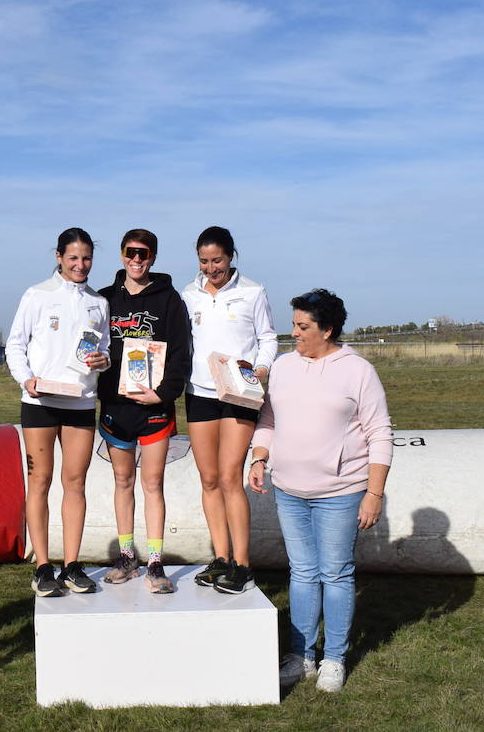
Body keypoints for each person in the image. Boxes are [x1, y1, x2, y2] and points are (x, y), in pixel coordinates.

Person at [249, 288, 392, 694]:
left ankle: (335, 659)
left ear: (327, 329)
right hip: (289, 490)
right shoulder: (282, 367)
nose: (293, 332)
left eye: (302, 326)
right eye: (292, 324)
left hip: (341, 492)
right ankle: (301, 656)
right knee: (303, 573)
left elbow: (380, 432)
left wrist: (374, 493)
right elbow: (269, 419)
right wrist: (259, 457)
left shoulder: (357, 371)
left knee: (336, 573)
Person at [6, 227, 110, 596]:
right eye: (73, 258)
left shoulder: (99, 303)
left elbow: (106, 352)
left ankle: (71, 564)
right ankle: (43, 566)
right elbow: (15, 344)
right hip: (40, 402)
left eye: (86, 258)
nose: (80, 265)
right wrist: (26, 379)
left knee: (76, 482)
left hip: (80, 402)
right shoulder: (37, 295)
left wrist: (103, 360)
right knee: (39, 481)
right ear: (59, 257)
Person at [182, 226, 277, 595]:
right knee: (208, 480)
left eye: (217, 260)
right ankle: (220, 558)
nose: (211, 268)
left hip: (239, 393)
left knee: (229, 476)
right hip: (200, 392)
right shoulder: (189, 294)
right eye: (204, 261)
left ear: (231, 256)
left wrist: (263, 368)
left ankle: (242, 564)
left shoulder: (253, 291)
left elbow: (268, 337)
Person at [96, 229, 191, 594]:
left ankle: (154, 562)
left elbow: (182, 353)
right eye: (131, 253)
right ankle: (127, 557)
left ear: (153, 257)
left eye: (145, 254)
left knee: (153, 484)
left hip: (154, 407)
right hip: (116, 407)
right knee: (123, 482)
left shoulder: (169, 299)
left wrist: (164, 393)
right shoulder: (104, 300)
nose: (137, 260)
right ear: (121, 255)